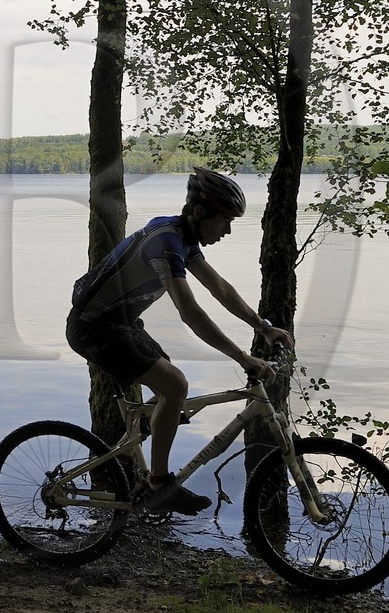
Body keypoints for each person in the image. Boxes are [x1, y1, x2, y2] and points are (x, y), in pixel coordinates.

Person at [66, 167, 294, 515]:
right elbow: (190, 311)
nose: (228, 230)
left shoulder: (182, 237)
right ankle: (159, 483)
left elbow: (219, 289)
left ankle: (122, 455)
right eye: (225, 221)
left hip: (121, 323)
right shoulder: (166, 242)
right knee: (176, 385)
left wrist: (262, 326)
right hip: (94, 328)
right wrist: (243, 358)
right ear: (200, 213)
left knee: (166, 391)